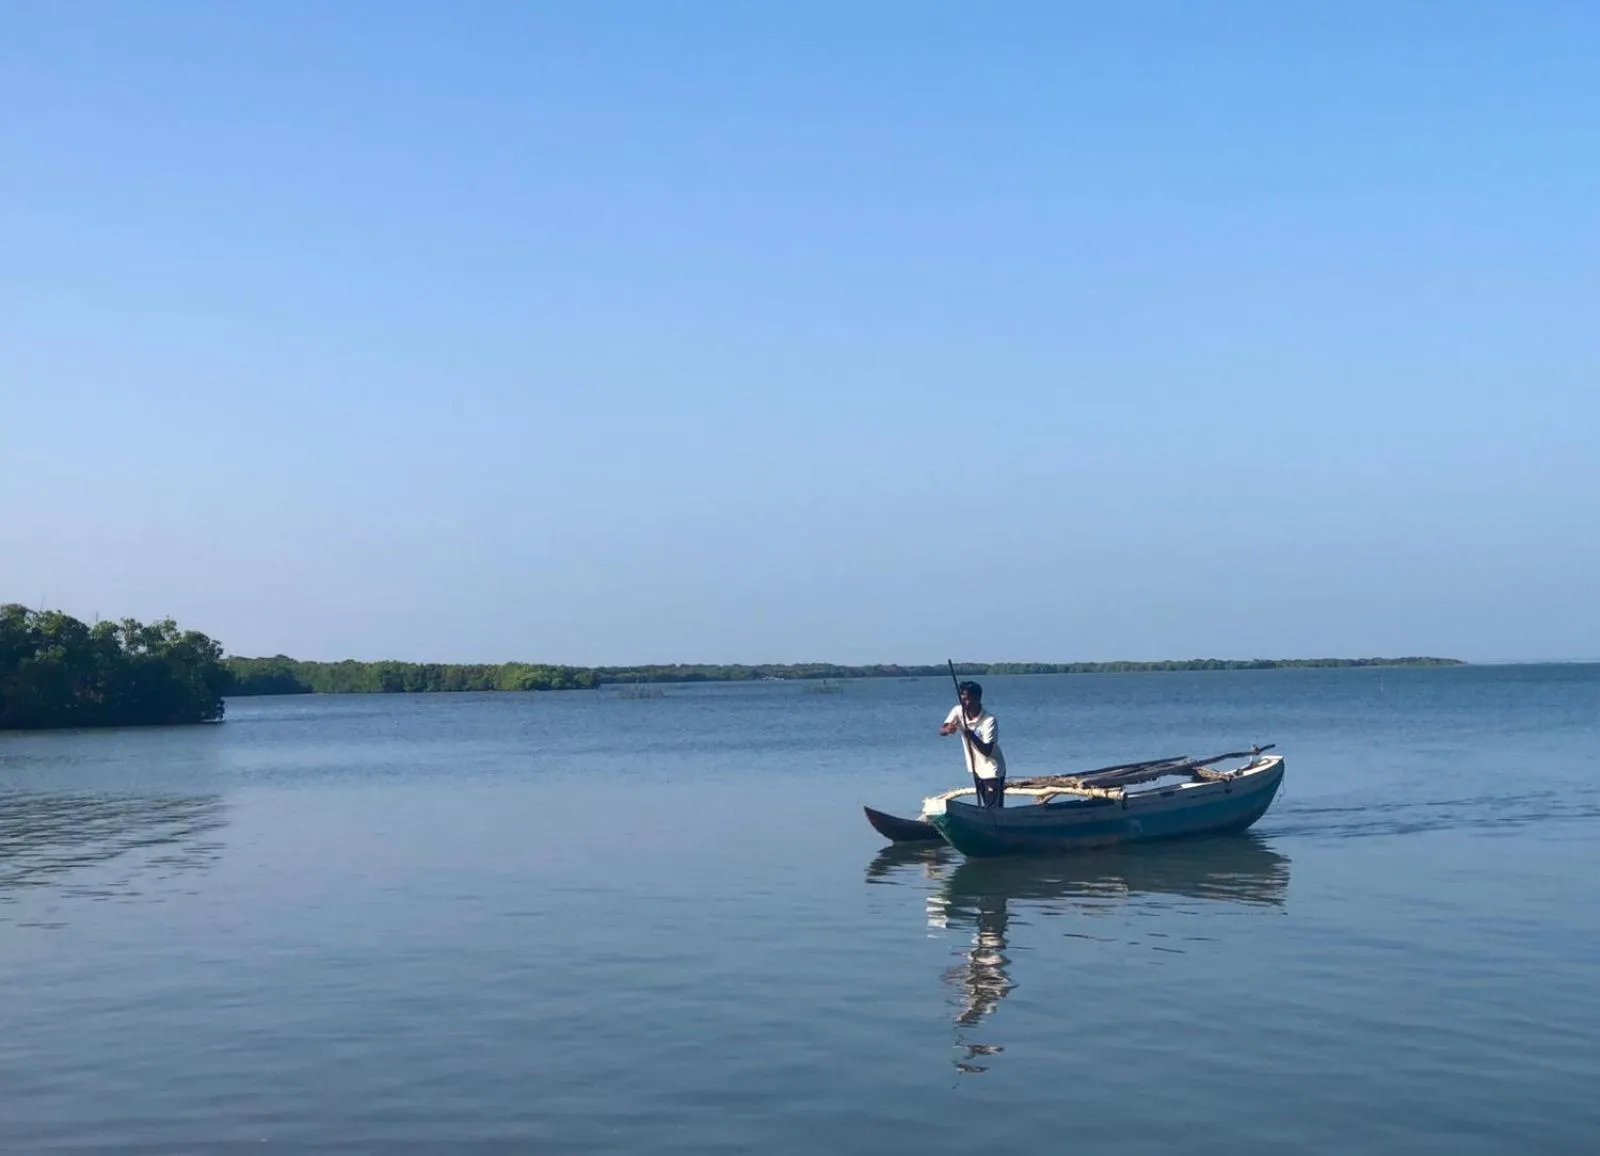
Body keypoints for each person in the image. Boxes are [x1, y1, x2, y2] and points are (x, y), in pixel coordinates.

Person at [939, 680, 1006, 807]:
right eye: (962, 699)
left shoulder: (989, 721)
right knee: (984, 803)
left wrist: (971, 735)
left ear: (978, 699)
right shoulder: (958, 711)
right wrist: (948, 729)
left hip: (992, 767)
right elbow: (942, 730)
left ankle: (996, 823)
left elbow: (987, 751)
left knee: (993, 806)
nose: (964, 703)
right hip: (975, 766)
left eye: (968, 699)